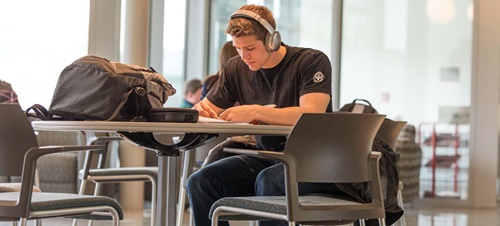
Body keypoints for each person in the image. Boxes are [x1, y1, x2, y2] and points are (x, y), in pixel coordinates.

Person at [187, 4, 335, 226]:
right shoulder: (235, 68)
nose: (244, 56)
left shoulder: (310, 62)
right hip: (267, 157)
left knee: (269, 181)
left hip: (314, 162)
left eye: (250, 48)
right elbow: (205, 108)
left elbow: (311, 113)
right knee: (200, 182)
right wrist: (199, 111)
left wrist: (256, 111)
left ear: (272, 41)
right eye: (237, 48)